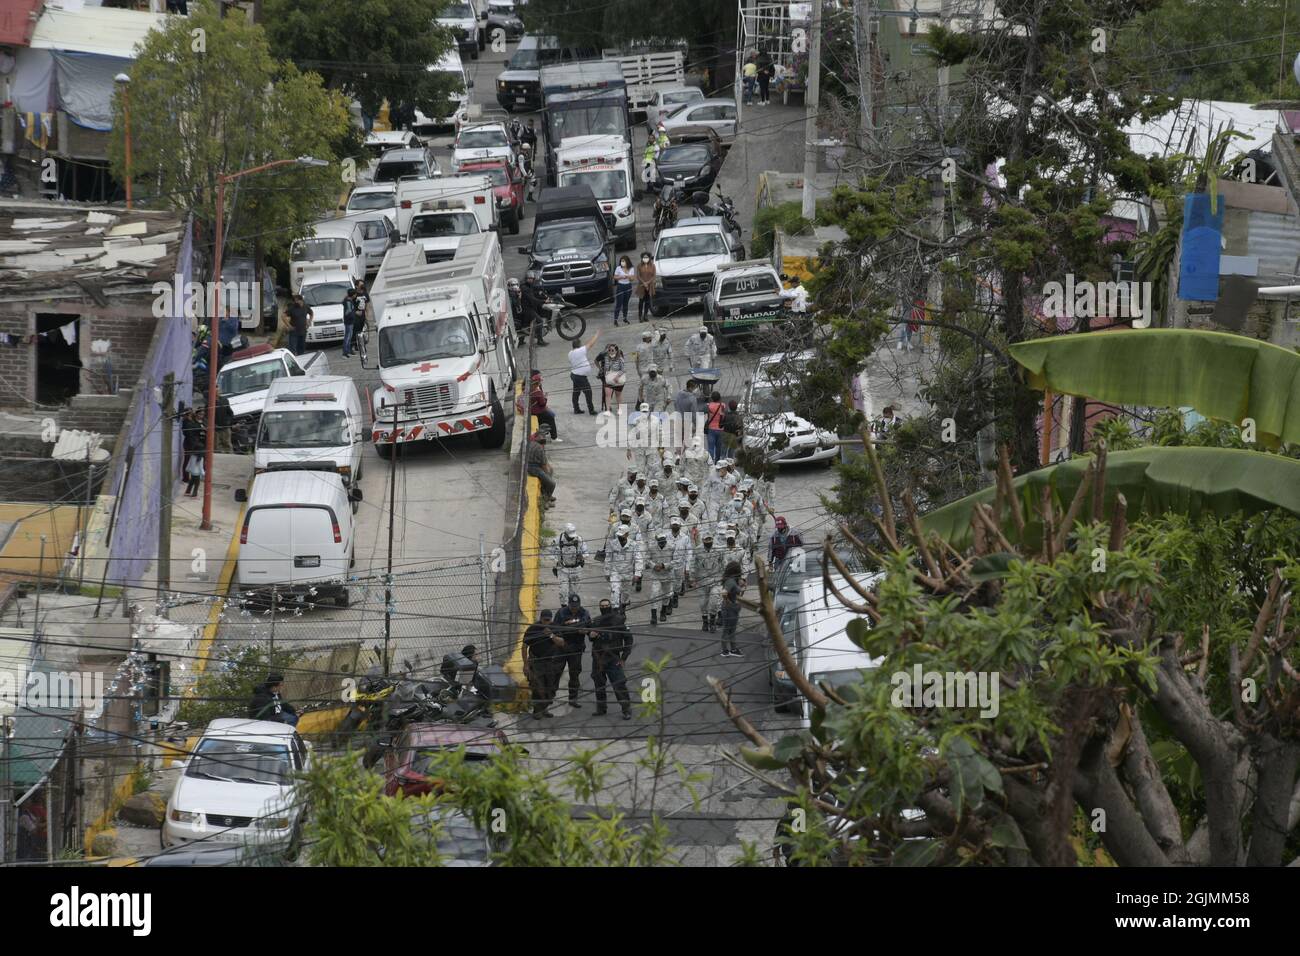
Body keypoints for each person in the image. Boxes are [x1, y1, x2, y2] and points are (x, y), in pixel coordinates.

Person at [589, 598, 633, 719]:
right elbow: (591, 637)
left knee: (619, 684)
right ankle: (601, 708)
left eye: (606, 606)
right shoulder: (596, 621)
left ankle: (626, 709)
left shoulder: (619, 620)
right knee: (599, 684)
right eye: (602, 606)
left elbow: (629, 639)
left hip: (613, 659)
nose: (604, 608)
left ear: (610, 606)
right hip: (598, 659)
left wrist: (624, 657)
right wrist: (591, 635)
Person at [552, 593, 592, 707]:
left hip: (576, 648)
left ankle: (573, 698)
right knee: (555, 671)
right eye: (572, 606)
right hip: (562, 647)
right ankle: (550, 694)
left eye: (576, 606)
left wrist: (587, 632)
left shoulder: (584, 613)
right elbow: (555, 629)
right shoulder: (561, 613)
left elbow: (589, 627)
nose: (574, 608)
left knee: (574, 674)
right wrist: (573, 631)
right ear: (568, 605)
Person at [523, 609, 564, 718]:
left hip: (551, 662)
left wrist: (551, 635)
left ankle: (544, 708)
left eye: (548, 620)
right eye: (544, 620)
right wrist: (525, 664)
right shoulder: (533, 628)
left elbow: (561, 643)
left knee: (550, 686)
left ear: (551, 619)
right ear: (540, 618)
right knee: (537, 687)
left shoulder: (554, 627)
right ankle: (537, 711)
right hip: (536, 662)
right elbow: (524, 646)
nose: (546, 622)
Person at [690, 527, 725, 632]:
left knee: (714, 600)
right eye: (706, 540)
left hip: (716, 580)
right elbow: (693, 564)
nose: (708, 541)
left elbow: (724, 563)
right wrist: (692, 578)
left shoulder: (719, 549)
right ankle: (705, 621)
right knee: (703, 602)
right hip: (702, 580)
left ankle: (713, 621)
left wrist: (725, 577)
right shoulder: (698, 550)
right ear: (703, 540)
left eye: (710, 539)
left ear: (713, 540)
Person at [644, 530, 676, 625]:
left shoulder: (672, 547)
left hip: (667, 575)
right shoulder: (652, 548)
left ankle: (663, 611)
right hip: (656, 575)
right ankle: (653, 615)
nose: (661, 541)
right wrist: (653, 565)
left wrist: (664, 565)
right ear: (657, 540)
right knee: (654, 594)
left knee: (667, 594)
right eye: (659, 540)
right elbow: (647, 559)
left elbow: (676, 561)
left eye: (663, 539)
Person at [552, 522, 587, 605]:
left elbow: (586, 552)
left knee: (574, 594)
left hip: (576, 570)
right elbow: (551, 554)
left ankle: (573, 609)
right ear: (565, 533)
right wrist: (557, 561)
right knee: (563, 592)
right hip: (563, 569)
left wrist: (582, 556)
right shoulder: (557, 540)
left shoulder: (579, 540)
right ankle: (563, 608)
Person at [568, 330, 600, 414]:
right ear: (579, 345)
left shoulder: (570, 353)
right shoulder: (580, 350)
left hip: (574, 375)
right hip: (580, 377)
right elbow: (591, 344)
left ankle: (576, 408)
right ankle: (591, 410)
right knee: (588, 392)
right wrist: (596, 335)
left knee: (576, 392)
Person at [718, 561, 745, 657]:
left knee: (730, 629)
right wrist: (729, 602)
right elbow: (724, 592)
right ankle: (728, 649)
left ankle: (729, 649)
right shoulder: (730, 581)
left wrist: (741, 586)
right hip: (730, 609)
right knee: (728, 629)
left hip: (732, 608)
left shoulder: (732, 580)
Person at [522, 371, 559, 440]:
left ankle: (545, 431)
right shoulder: (537, 392)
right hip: (537, 411)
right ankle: (554, 437)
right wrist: (545, 397)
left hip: (531, 409)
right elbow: (542, 404)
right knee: (551, 417)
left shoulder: (526, 388)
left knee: (550, 414)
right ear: (536, 383)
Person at [518, 275, 550, 346]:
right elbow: (532, 299)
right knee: (540, 321)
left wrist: (542, 295)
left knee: (525, 324)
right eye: (529, 279)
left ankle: (520, 341)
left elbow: (534, 295)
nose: (531, 280)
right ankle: (540, 341)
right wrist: (544, 301)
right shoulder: (525, 288)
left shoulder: (528, 286)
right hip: (527, 309)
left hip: (529, 308)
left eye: (532, 279)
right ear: (526, 279)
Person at [527, 431, 556, 505]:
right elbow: (544, 466)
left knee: (550, 471)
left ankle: (546, 495)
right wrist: (548, 474)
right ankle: (546, 500)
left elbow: (545, 463)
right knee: (552, 484)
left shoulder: (531, 443)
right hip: (534, 468)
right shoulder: (539, 448)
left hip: (530, 466)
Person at [595, 342, 627, 411]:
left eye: (612, 350)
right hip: (607, 375)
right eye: (609, 350)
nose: (610, 352)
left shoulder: (620, 353)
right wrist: (601, 369)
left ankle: (616, 408)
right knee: (607, 393)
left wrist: (618, 375)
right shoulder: (603, 354)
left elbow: (623, 366)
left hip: (617, 376)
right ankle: (607, 408)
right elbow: (596, 361)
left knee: (617, 393)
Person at [613, 255, 635, 325]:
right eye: (621, 261)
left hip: (628, 286)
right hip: (620, 286)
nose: (622, 263)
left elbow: (632, 279)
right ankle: (615, 319)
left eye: (624, 261)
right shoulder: (618, 268)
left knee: (626, 303)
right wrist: (621, 277)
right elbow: (615, 277)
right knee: (619, 303)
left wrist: (628, 276)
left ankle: (625, 317)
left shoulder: (631, 268)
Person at [705, 390, 726, 462]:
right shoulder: (723, 405)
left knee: (711, 448)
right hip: (721, 429)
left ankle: (710, 463)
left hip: (711, 429)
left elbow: (708, 416)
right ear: (719, 398)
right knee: (718, 447)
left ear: (712, 398)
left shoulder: (709, 405)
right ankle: (717, 462)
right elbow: (723, 416)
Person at [636, 252, 657, 322]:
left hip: (649, 286)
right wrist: (644, 283)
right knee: (641, 301)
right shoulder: (639, 266)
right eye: (644, 257)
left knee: (647, 301)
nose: (645, 259)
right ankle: (640, 315)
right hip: (641, 286)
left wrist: (647, 283)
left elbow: (653, 276)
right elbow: (638, 276)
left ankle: (645, 315)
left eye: (647, 257)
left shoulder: (653, 266)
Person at [341, 286, 359, 358]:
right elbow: (348, 311)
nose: (356, 295)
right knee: (348, 337)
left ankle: (348, 351)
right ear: (353, 295)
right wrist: (355, 313)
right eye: (355, 294)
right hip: (349, 321)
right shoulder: (348, 301)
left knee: (349, 336)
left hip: (350, 321)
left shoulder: (347, 300)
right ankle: (345, 353)